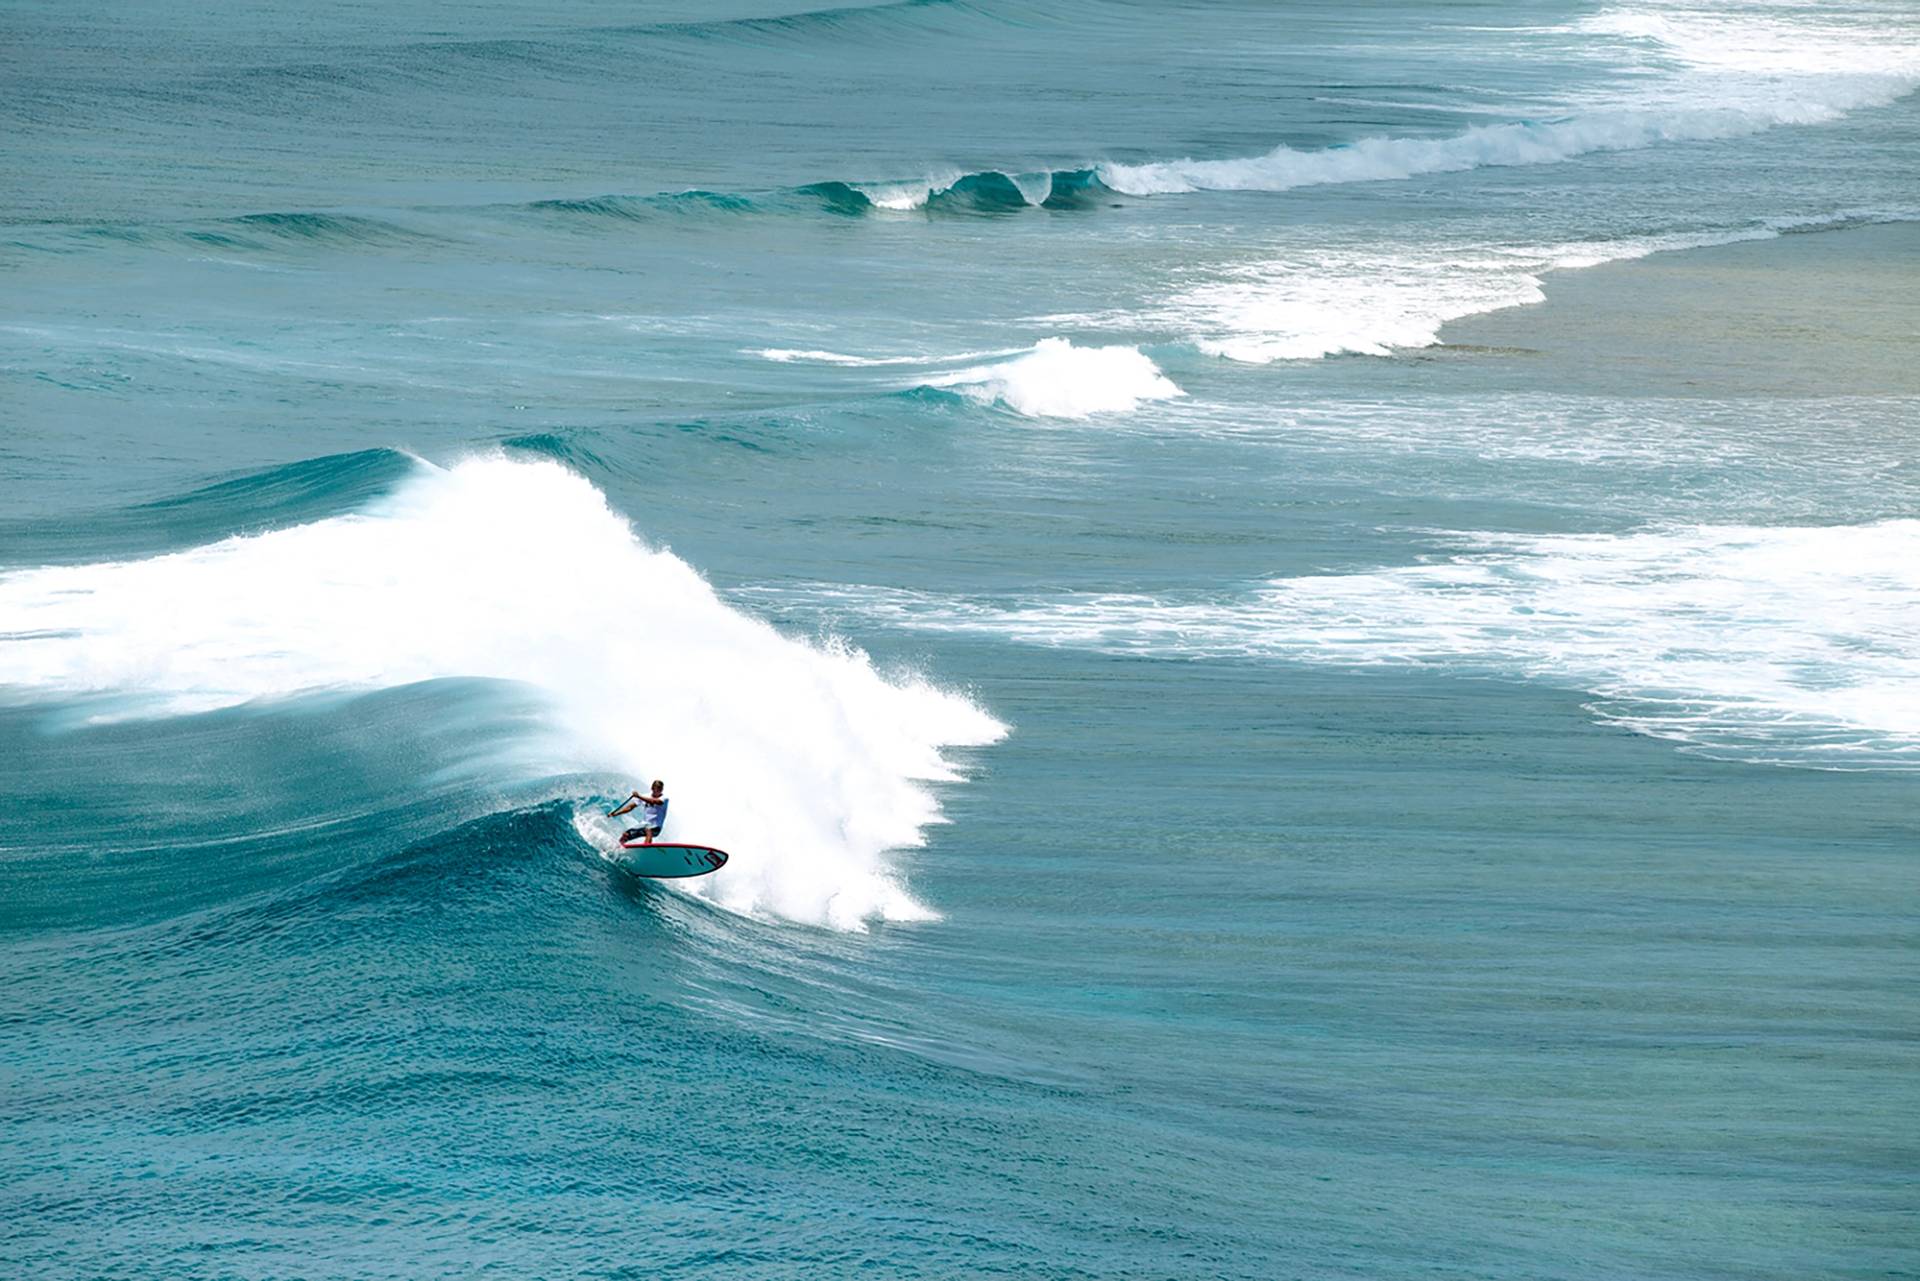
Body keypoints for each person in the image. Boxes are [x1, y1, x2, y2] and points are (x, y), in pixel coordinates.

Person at [609, 780, 668, 846]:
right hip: (644, 825)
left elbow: (655, 801)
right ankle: (616, 847)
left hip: (656, 827)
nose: (658, 791)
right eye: (656, 789)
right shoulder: (646, 796)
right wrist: (616, 813)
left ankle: (646, 848)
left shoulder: (664, 798)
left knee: (648, 830)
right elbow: (630, 807)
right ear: (652, 788)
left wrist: (638, 796)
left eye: (660, 789)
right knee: (625, 834)